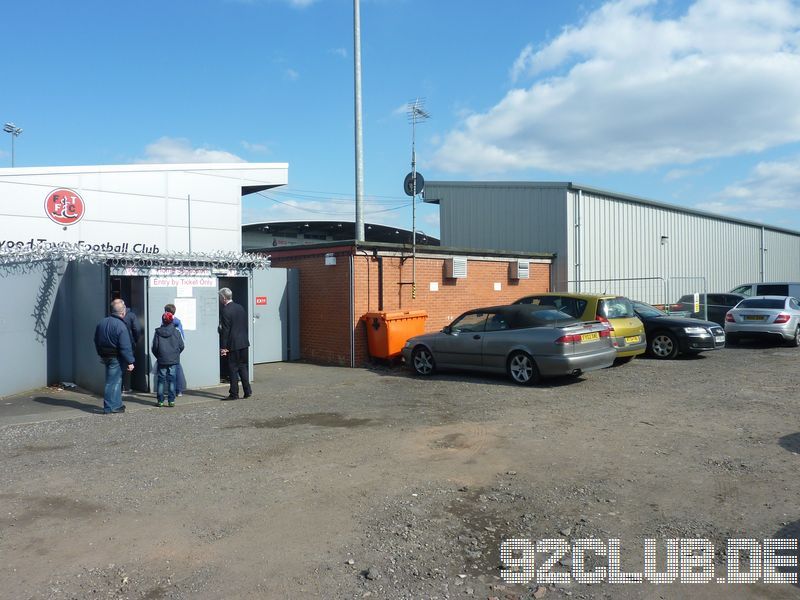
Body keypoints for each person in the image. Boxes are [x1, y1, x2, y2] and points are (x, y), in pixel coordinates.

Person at [94, 301, 135, 414]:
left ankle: (117, 405)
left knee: (116, 381)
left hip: (105, 355)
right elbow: (125, 346)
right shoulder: (121, 326)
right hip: (116, 357)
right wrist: (130, 361)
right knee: (112, 382)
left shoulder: (102, 323)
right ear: (123, 312)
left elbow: (96, 340)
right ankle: (109, 407)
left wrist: (100, 353)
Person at [218, 287, 252, 400]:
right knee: (243, 367)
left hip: (233, 344)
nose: (219, 299)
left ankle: (234, 394)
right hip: (244, 342)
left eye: (219, 297)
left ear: (223, 297)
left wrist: (223, 347)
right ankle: (247, 391)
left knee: (232, 369)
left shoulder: (226, 310)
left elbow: (225, 331)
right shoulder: (240, 307)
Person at [151, 312, 184, 407]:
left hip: (162, 359)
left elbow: (154, 347)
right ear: (172, 321)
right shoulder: (176, 332)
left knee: (161, 380)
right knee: (172, 380)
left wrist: (159, 356)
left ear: (163, 320)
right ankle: (171, 401)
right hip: (173, 359)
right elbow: (181, 346)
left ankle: (160, 401)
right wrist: (176, 354)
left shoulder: (158, 332)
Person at [112, 298, 141, 393]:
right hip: (129, 343)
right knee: (128, 364)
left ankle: (119, 387)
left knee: (118, 365)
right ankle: (127, 387)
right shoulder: (131, 315)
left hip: (116, 345)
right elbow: (137, 329)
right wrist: (135, 340)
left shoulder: (113, 317)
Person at [164, 303, 187, 396]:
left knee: (170, 370)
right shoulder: (178, 321)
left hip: (169, 348)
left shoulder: (168, 321)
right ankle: (179, 390)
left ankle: (173, 390)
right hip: (176, 349)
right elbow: (181, 335)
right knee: (177, 369)